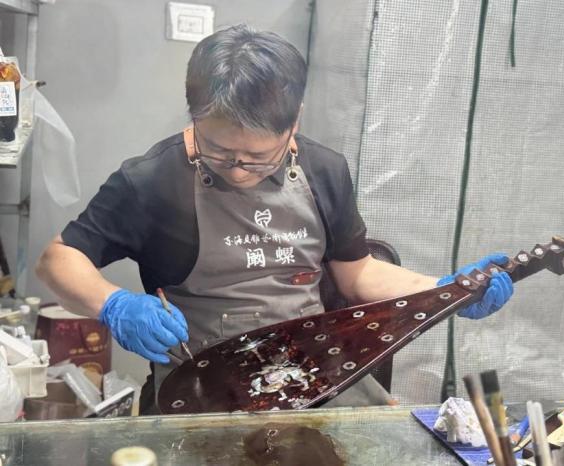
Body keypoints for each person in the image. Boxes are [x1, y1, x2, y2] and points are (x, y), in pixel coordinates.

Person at [35, 24, 514, 412]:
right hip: (202, 383)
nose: (239, 169)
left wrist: (445, 290)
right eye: (219, 150)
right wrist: (115, 304)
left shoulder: (324, 170)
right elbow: (58, 259)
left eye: (259, 156)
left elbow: (358, 275)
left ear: (294, 121)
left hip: (314, 372)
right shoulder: (152, 180)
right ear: (194, 117)